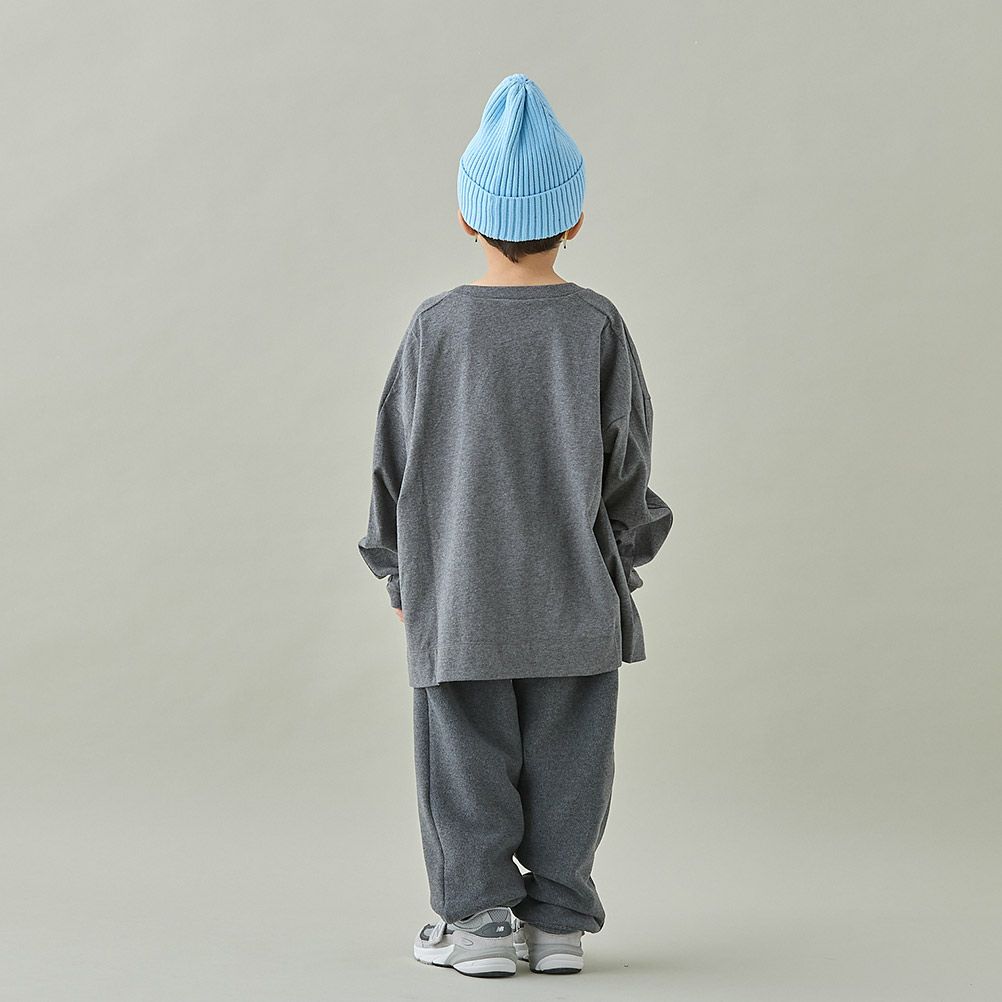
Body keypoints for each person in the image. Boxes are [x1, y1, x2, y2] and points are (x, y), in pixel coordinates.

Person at [357, 72, 673, 978]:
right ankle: (560, 925)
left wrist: (398, 571)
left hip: (459, 596)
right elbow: (628, 460)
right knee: (573, 764)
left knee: (464, 762)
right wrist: (621, 561)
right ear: (574, 218)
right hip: (576, 591)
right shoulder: (596, 324)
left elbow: (394, 461)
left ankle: (479, 924)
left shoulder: (436, 328)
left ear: (468, 217)